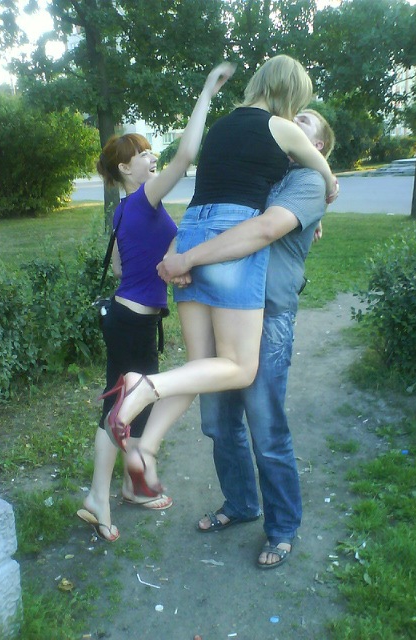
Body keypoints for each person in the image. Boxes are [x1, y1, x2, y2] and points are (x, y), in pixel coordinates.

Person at [105, 56, 339, 498]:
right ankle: (144, 386)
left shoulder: (221, 127)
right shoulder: (281, 127)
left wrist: (181, 255)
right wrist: (329, 191)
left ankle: (146, 449)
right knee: (239, 367)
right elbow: (321, 168)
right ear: (289, 93)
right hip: (231, 233)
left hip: (192, 229)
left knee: (201, 367)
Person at [159, 108, 335, 569]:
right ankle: (240, 504)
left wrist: (189, 258)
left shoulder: (308, 183)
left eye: (303, 122)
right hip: (227, 309)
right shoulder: (262, 174)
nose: (289, 122)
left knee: (266, 428)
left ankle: (282, 526)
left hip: (269, 315)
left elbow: (261, 229)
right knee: (218, 422)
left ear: (316, 147)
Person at [76, 61, 236, 541]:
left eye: (150, 151)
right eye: (142, 154)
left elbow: (123, 269)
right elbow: (186, 156)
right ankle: (99, 497)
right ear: (125, 169)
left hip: (131, 317)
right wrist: (206, 91)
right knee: (120, 410)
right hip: (133, 320)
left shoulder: (125, 211)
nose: (151, 158)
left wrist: (171, 263)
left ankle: (130, 488)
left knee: (132, 406)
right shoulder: (144, 197)